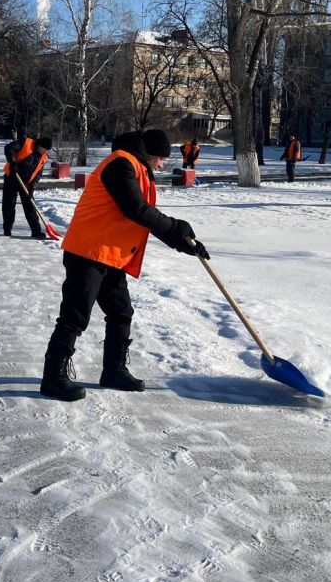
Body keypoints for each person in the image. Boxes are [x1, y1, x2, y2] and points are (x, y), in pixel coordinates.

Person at [40, 129, 210, 402]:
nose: (162, 164)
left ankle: (114, 371)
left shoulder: (133, 166)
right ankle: (53, 377)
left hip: (109, 255)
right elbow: (136, 208)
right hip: (88, 253)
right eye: (160, 159)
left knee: (121, 312)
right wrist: (175, 230)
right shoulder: (120, 164)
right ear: (150, 153)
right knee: (75, 315)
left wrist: (181, 240)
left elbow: (141, 214)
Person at [3, 135, 52, 238]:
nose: (44, 152)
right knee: (9, 205)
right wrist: (12, 163)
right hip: (11, 177)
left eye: (46, 150)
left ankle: (36, 231)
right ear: (39, 145)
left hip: (26, 184)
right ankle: (7, 229)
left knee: (30, 206)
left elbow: (38, 174)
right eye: (43, 149)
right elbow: (9, 148)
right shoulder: (26, 143)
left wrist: (32, 189)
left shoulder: (44, 157)